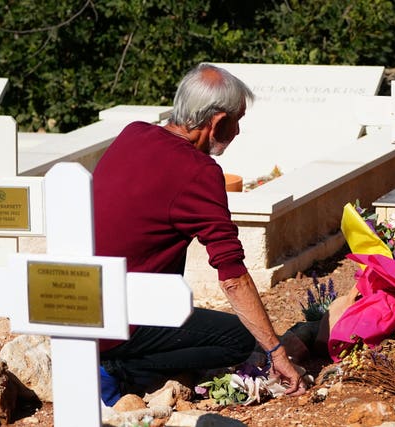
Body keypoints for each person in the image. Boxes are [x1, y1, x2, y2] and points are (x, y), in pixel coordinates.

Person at [93, 63, 306, 404]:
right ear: (218, 121)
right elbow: (232, 277)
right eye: (237, 121)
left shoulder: (133, 134)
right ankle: (119, 369)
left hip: (82, 305)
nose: (237, 131)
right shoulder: (199, 172)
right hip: (125, 322)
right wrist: (276, 352)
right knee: (238, 340)